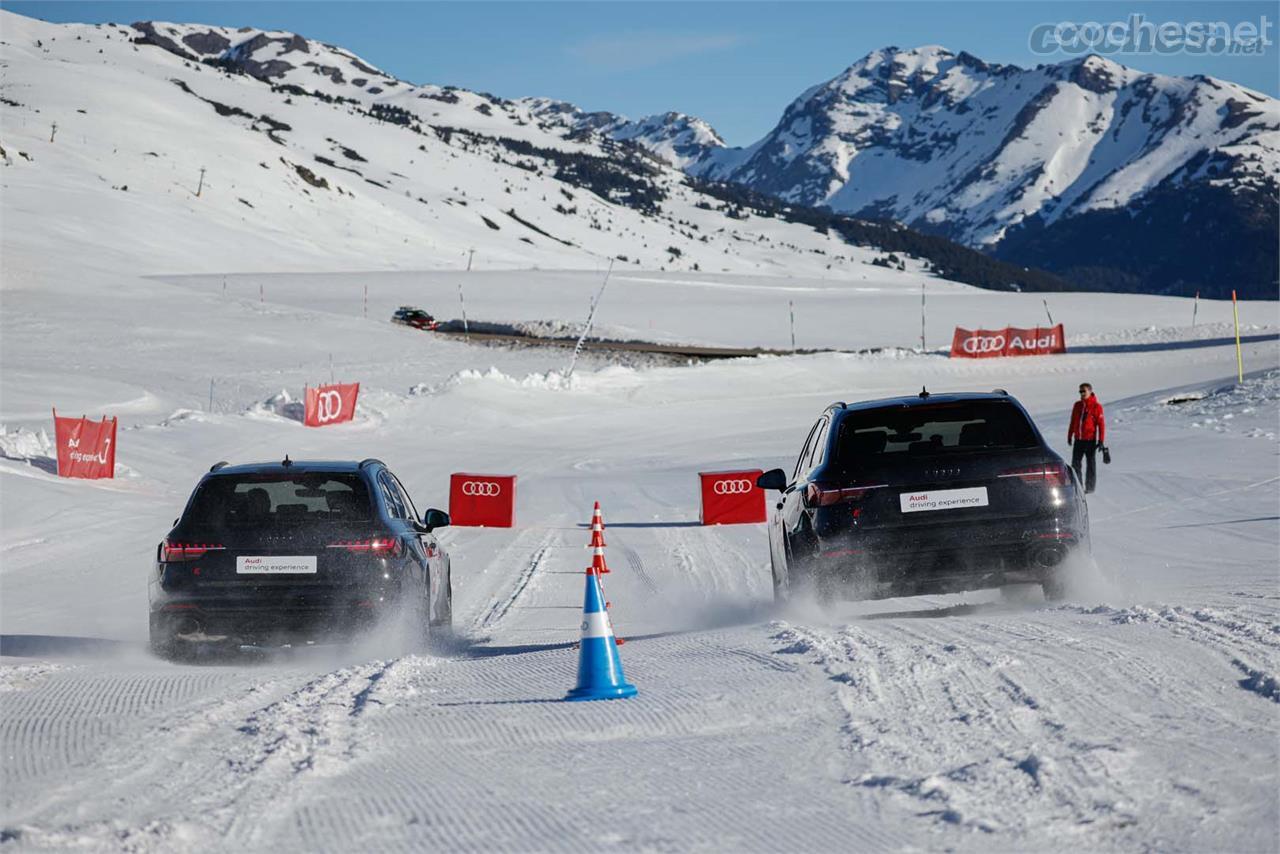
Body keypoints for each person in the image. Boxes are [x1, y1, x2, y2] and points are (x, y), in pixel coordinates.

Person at [1067, 382, 1106, 493]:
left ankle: (1090, 488)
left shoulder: (1096, 407)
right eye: (1080, 391)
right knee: (1075, 464)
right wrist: (1070, 435)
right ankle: (1078, 487)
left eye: (1084, 391)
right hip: (1078, 440)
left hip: (1090, 440)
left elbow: (1101, 424)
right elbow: (1073, 421)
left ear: (1090, 391)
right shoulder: (1077, 405)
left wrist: (1101, 440)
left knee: (1091, 464)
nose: (1082, 393)